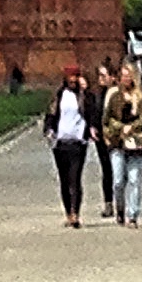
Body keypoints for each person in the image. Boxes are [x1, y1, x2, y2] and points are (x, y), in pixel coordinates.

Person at [104, 67, 142, 226]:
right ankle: (120, 209)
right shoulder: (114, 97)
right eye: (123, 76)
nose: (126, 79)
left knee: (134, 179)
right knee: (118, 181)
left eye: (129, 76)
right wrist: (118, 128)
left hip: (136, 143)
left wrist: (132, 128)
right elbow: (107, 118)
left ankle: (133, 215)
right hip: (117, 142)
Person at [49, 68, 95, 228]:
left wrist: (90, 130)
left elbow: (91, 112)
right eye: (71, 76)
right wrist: (49, 130)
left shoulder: (83, 96)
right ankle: (68, 212)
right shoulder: (59, 95)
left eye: (76, 76)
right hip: (61, 142)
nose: (73, 79)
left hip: (78, 142)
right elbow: (51, 114)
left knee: (75, 178)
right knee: (63, 180)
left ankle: (76, 213)